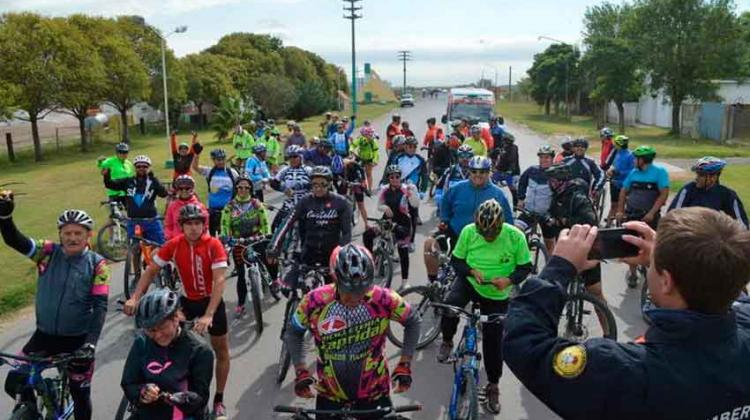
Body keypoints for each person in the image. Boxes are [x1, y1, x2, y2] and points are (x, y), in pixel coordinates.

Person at [503, 208, 750, 420]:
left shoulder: (625, 371)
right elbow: (731, 287)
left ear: (666, 282)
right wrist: (673, 261)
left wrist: (559, 268)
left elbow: (525, 343)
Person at [0, 196, 108, 420]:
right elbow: (15, 241)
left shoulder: (97, 264)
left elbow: (100, 306)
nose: (72, 238)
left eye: (78, 233)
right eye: (67, 233)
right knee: (15, 380)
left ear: (88, 235)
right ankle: (33, 410)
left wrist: (90, 344)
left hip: (77, 342)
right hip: (44, 337)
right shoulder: (48, 252)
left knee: (80, 396)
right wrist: (5, 217)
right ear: (60, 234)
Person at [285, 244, 421, 419]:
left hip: (374, 393)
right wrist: (300, 369)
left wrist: (405, 363)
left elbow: (413, 321)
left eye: (361, 291)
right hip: (330, 394)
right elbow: (293, 332)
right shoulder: (315, 300)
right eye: (348, 291)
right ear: (335, 280)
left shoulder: (384, 298)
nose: (355, 298)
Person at [124, 204, 230, 420]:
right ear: (181, 226)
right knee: (168, 338)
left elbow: (219, 280)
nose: (193, 228)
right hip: (187, 302)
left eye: (197, 223)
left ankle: (218, 399)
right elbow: (150, 270)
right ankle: (168, 386)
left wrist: (209, 314)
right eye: (188, 224)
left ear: (204, 225)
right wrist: (135, 297)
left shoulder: (214, 245)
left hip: (211, 301)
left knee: (219, 350)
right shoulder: (174, 244)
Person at [436, 199, 532, 414]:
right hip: (470, 283)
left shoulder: (515, 236)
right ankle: (447, 340)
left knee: (493, 339)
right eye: (484, 233)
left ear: (500, 226)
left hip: (497, 293)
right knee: (450, 306)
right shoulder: (469, 232)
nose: (488, 237)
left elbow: (525, 267)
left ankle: (493, 384)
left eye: (492, 234)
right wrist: (471, 272)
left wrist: (508, 280)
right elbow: (457, 261)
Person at [121, 288, 214, 420]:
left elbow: (200, 398)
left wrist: (174, 397)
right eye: (151, 330)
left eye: (162, 327)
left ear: (176, 318)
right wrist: (143, 391)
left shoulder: (199, 350)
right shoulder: (142, 342)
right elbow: (129, 383)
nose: (157, 335)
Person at [423, 156, 513, 283]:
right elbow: (445, 202)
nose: (478, 175)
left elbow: (508, 221)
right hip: (455, 234)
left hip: (482, 241)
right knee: (429, 244)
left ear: (488, 172)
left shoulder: (498, 194)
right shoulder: (457, 188)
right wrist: (445, 219)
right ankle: (432, 283)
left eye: (482, 172)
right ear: (469, 172)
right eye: (474, 171)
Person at [545, 163, 609, 332]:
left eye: (552, 180)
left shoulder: (578, 198)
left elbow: (592, 222)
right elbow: (552, 219)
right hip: (567, 250)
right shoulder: (556, 197)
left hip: (587, 249)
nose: (550, 184)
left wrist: (567, 222)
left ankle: (609, 333)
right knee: (555, 292)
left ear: (561, 181)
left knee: (595, 292)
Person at [268, 166, 352, 290]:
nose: (318, 188)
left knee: (335, 294)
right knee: (289, 289)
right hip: (308, 254)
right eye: (314, 184)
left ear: (329, 184)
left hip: (331, 255)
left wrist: (339, 254)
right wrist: (274, 246)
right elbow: (287, 223)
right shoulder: (304, 201)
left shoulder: (342, 203)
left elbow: (346, 233)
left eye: (322, 184)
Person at [220, 176, 275, 317]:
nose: (243, 190)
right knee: (241, 275)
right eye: (240, 187)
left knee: (270, 259)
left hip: (257, 239)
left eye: (246, 187)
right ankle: (241, 304)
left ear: (250, 189)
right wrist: (225, 237)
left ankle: (274, 281)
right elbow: (225, 225)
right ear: (236, 189)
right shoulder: (229, 207)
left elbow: (265, 221)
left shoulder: (256, 203)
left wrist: (266, 234)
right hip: (238, 242)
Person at [616, 145, 669, 286]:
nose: (633, 161)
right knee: (631, 246)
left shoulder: (659, 172)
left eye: (636, 159)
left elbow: (664, 194)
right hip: (632, 214)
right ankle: (633, 274)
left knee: (652, 246)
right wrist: (620, 210)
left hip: (649, 217)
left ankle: (652, 276)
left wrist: (652, 213)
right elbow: (623, 191)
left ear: (643, 160)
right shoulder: (633, 173)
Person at [365, 165, 420, 289]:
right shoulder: (385, 189)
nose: (395, 179)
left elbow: (415, 204)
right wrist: (384, 207)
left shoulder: (407, 189)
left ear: (400, 177)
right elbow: (379, 205)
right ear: (388, 178)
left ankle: (405, 281)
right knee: (367, 235)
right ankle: (371, 259)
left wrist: (413, 194)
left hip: (403, 223)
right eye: (392, 177)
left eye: (397, 177)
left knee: (403, 250)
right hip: (387, 222)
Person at [103, 154, 168, 244]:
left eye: (145, 166)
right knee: (134, 249)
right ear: (135, 168)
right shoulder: (128, 181)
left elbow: (164, 194)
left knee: (160, 246)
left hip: (151, 221)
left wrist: (156, 182)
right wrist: (107, 176)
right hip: (133, 221)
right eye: (139, 166)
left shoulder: (152, 181)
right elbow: (110, 184)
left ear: (149, 167)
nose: (141, 168)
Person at [669, 156, 748, 228]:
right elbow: (672, 215)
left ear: (713, 177)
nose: (696, 178)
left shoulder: (727, 194)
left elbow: (742, 225)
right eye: (697, 174)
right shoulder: (688, 190)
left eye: (701, 175)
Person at [517, 145, 556, 252]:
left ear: (552, 158)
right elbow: (522, 182)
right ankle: (522, 255)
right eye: (541, 157)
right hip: (529, 211)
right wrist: (521, 198)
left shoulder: (556, 174)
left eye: (547, 157)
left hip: (546, 214)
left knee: (549, 242)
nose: (544, 160)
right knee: (516, 230)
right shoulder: (532, 170)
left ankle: (550, 264)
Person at [388, 136, 428, 239]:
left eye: (414, 147)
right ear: (405, 147)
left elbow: (424, 176)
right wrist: (384, 184)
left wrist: (423, 190)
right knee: (395, 213)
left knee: (413, 215)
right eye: (409, 146)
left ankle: (411, 239)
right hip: (399, 189)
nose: (412, 149)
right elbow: (390, 172)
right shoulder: (398, 158)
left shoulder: (420, 160)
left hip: (413, 190)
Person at [192, 148, 239, 237]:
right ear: (213, 160)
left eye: (223, 159)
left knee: (228, 235)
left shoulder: (232, 172)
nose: (221, 162)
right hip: (213, 210)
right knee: (212, 237)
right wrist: (197, 155)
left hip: (228, 210)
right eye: (218, 160)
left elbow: (240, 187)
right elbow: (195, 167)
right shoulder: (210, 171)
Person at [270, 145, 312, 230]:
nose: (292, 159)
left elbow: (315, 183)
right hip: (289, 204)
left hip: (305, 204)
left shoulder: (308, 169)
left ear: (301, 157)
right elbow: (274, 183)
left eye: (295, 156)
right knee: (275, 226)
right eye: (290, 157)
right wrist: (284, 189)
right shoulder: (285, 169)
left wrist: (301, 185)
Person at [601, 135, 635, 226]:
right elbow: (613, 165)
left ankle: (622, 224)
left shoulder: (630, 155)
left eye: (615, 144)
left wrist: (619, 172)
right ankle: (608, 224)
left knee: (622, 206)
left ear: (619, 145)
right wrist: (610, 170)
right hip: (615, 183)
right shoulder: (617, 153)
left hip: (624, 184)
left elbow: (632, 170)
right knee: (613, 205)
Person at [164, 175, 208, 241]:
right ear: (177, 190)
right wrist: (169, 238)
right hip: (177, 242)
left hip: (195, 242)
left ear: (192, 189)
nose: (184, 191)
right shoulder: (172, 206)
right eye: (181, 188)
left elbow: (205, 227)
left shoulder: (200, 206)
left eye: (187, 188)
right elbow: (168, 225)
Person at [434, 144, 473, 211]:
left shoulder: (476, 171)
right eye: (462, 156)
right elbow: (439, 186)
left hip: (470, 208)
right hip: (451, 207)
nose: (465, 159)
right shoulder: (450, 170)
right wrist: (439, 199)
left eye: (468, 156)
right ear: (458, 157)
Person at [335, 157, 370, 227]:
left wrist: (363, 182)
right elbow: (335, 182)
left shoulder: (351, 163)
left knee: (361, 204)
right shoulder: (335, 169)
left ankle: (366, 224)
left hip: (356, 178)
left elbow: (362, 171)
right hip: (345, 180)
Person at [490, 131, 521, 206]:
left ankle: (515, 207)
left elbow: (513, 161)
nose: (504, 142)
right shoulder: (502, 147)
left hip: (512, 173)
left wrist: (510, 171)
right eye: (504, 141)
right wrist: (495, 152)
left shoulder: (514, 148)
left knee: (513, 190)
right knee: (491, 183)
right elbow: (493, 156)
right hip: (500, 171)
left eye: (505, 141)